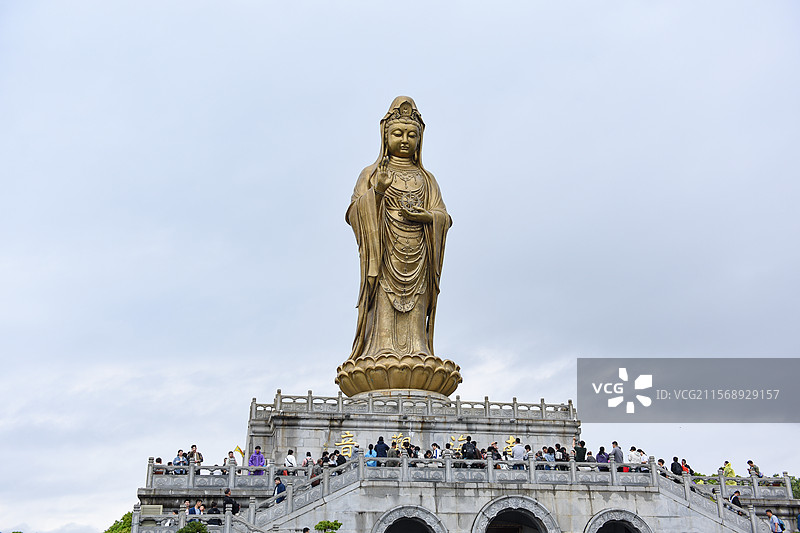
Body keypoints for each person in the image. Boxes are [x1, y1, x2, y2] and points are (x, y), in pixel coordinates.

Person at [336, 96, 456, 397]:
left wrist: (427, 216)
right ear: (385, 136)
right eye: (398, 133)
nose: (405, 140)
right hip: (385, 252)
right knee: (384, 307)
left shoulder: (427, 179)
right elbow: (353, 212)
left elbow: (444, 216)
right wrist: (376, 192)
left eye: (411, 135)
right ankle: (380, 350)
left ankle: (418, 350)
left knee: (416, 311)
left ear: (420, 139)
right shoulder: (371, 173)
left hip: (419, 254)